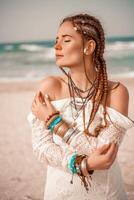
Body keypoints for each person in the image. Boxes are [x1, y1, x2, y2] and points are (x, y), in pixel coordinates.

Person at [27, 13, 134, 200]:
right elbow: (41, 148)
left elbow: (104, 155)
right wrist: (82, 164)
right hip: (58, 193)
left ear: (89, 47)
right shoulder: (49, 87)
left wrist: (55, 122)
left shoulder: (117, 92)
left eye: (66, 40)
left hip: (107, 194)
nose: (56, 46)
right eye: (56, 40)